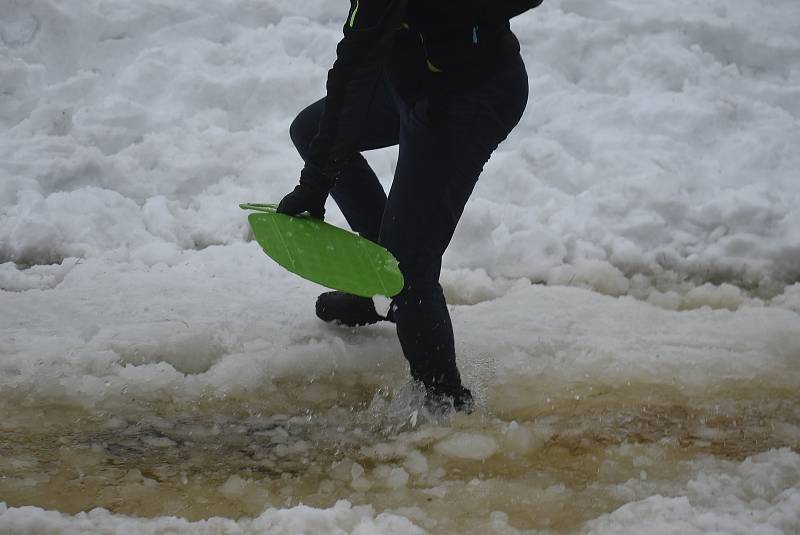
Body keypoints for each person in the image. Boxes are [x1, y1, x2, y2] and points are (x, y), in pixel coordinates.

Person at [277, 0, 540, 412]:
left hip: (473, 92)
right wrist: (315, 183)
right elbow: (356, 67)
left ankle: (445, 406)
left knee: (410, 263)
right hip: (410, 79)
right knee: (313, 131)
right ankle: (380, 287)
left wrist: (446, 16)